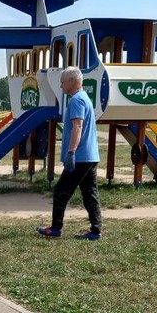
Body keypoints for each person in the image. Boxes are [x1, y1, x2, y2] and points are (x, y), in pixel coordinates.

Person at [36, 66, 102, 240]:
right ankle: (96, 230)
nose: (61, 85)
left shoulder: (76, 101)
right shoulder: (85, 98)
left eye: (63, 81)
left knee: (61, 191)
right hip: (91, 155)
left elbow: (77, 126)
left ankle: (56, 228)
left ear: (73, 81)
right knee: (90, 193)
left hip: (80, 157)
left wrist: (71, 152)